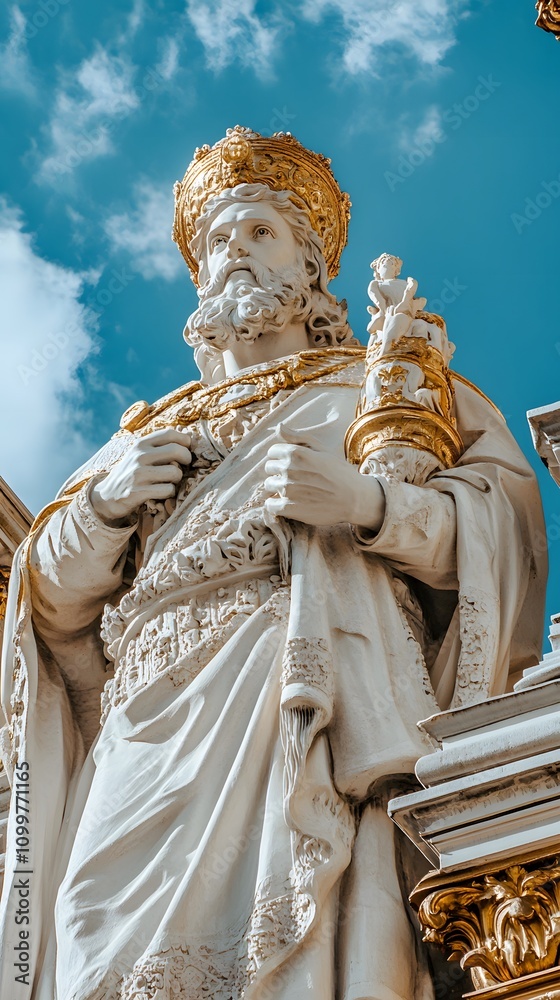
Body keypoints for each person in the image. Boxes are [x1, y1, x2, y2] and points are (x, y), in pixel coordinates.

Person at [0, 127, 546, 1000]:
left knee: (308, 934)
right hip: (145, 717)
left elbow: (493, 535)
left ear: (312, 263)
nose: (234, 256)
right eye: (217, 240)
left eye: (259, 232)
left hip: (307, 683)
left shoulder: (383, 385)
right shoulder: (137, 436)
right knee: (99, 946)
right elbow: (49, 602)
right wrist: (104, 509)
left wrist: (366, 505)